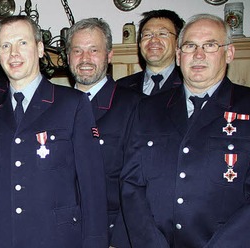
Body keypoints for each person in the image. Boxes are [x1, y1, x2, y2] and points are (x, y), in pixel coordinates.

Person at [120, 14, 250, 247]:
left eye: (209, 45)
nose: (198, 55)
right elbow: (131, 185)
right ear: (178, 56)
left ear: (229, 53)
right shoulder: (148, 109)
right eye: (190, 46)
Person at [0, 15, 108, 248]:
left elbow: (92, 188)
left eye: (23, 43)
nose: (14, 53)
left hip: (56, 239)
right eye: (6, 46)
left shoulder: (72, 104)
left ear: (40, 49)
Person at [66, 18, 142, 247]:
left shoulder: (136, 107)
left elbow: (138, 186)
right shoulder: (54, 106)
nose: (85, 59)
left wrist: (117, 240)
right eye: (77, 50)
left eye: (94, 50)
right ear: (68, 56)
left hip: (111, 237)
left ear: (109, 55)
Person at [116, 10, 184, 95]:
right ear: (140, 43)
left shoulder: (188, 85)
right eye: (147, 35)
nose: (153, 39)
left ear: (177, 43)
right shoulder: (121, 87)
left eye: (162, 33)